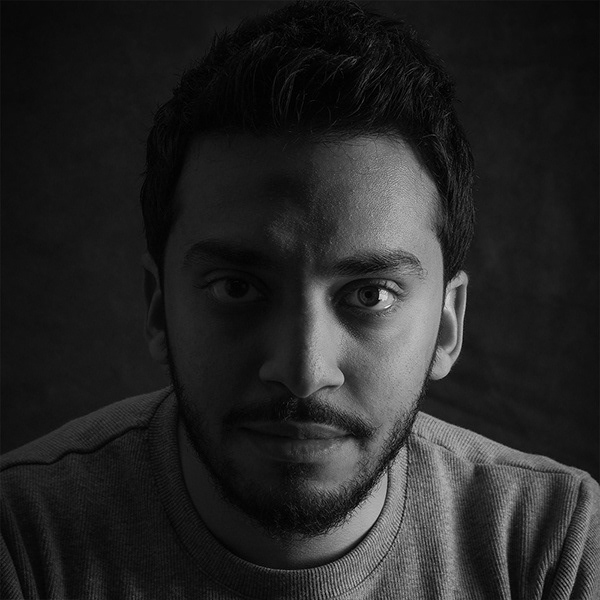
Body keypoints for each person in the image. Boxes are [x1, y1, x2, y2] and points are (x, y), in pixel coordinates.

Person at [1, 1, 598, 598]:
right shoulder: (21, 539)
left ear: (447, 325)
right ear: (159, 308)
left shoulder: (555, 547)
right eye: (237, 288)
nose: (303, 371)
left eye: (370, 294)